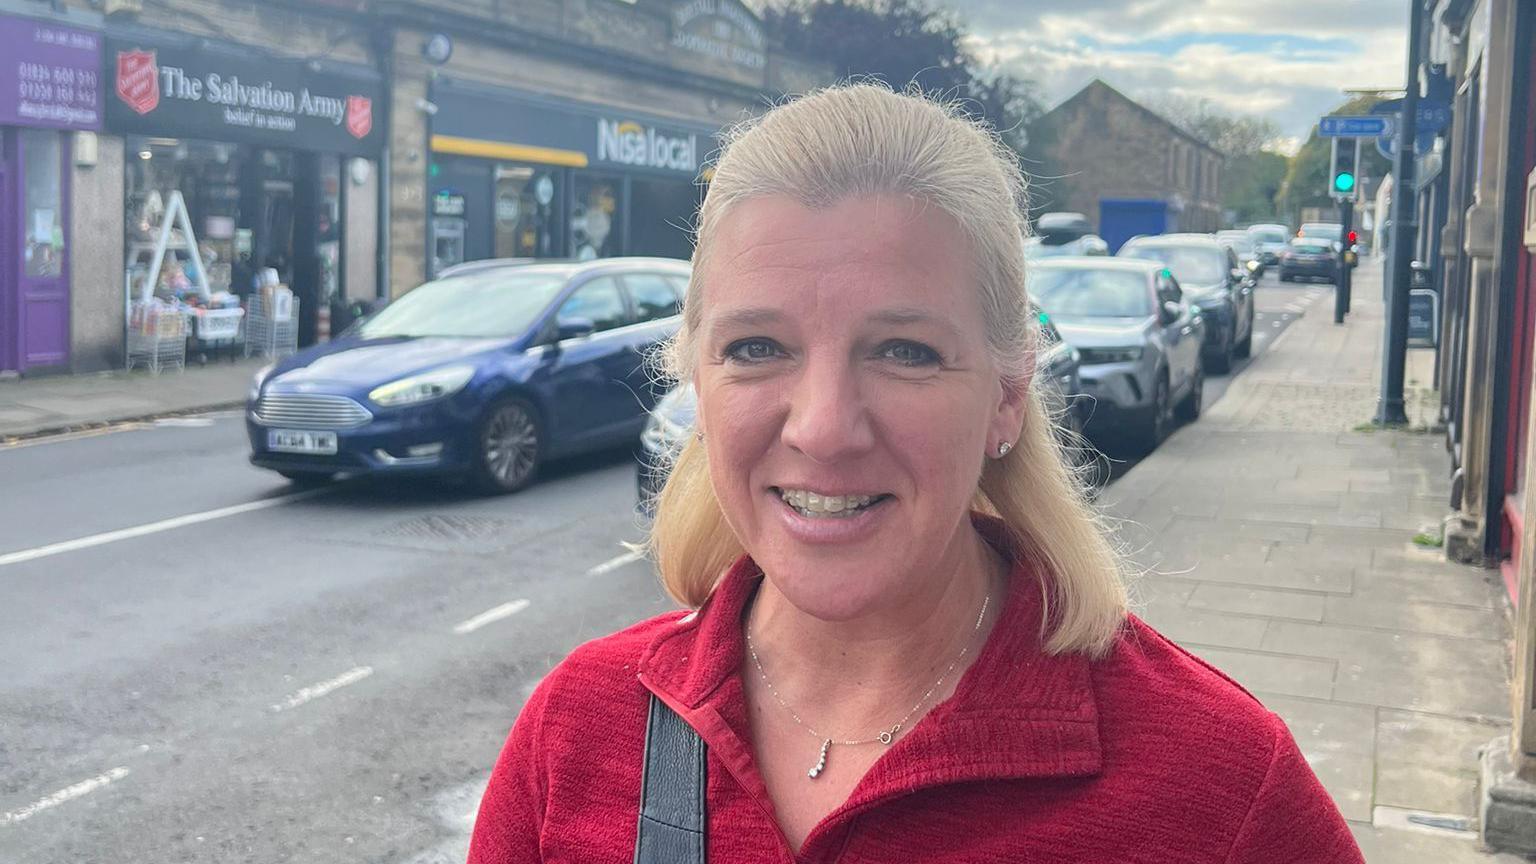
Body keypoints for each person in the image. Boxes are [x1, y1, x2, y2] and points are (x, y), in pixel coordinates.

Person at [467, 84, 1364, 863]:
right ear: (698, 379)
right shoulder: (577, 731)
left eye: (905, 350)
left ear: (1008, 397)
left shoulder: (1221, 790)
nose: (823, 428)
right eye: (757, 347)